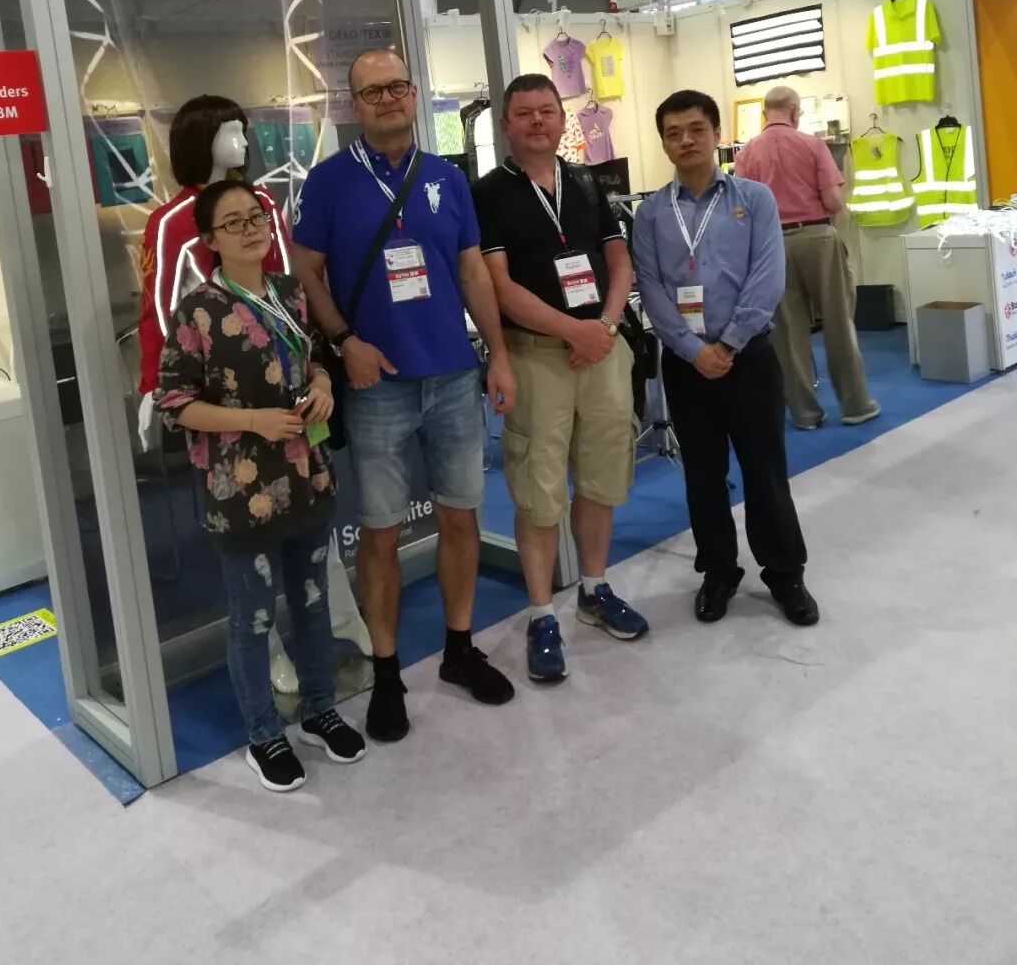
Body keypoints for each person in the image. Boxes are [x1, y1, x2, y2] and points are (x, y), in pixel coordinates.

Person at [292, 49, 516, 744]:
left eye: (397, 86)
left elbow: (472, 272)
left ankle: (459, 649)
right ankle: (387, 672)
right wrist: (344, 339)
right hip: (376, 385)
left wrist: (498, 353)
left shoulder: (448, 177)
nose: (387, 98)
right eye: (372, 91)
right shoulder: (329, 182)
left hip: (452, 377)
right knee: (381, 532)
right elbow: (305, 270)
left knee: (461, 518)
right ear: (354, 105)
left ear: (414, 94)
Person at [157, 180, 366, 793]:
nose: (251, 230)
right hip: (241, 491)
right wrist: (252, 421)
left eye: (256, 217)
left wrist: (322, 384)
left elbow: (313, 357)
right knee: (251, 616)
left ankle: (319, 710)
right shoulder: (198, 311)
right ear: (209, 240)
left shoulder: (290, 293)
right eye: (234, 223)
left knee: (313, 601)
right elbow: (175, 403)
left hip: (307, 475)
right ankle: (263, 733)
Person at [472, 74, 648, 684]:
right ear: (506, 126)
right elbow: (498, 286)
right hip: (537, 355)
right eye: (524, 114)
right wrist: (573, 331)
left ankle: (594, 589)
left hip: (601, 349)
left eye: (547, 111)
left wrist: (604, 325)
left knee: (601, 476)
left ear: (561, 118)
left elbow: (618, 259)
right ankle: (542, 614)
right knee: (539, 490)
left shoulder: (586, 181)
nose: (538, 122)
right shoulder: (488, 193)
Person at [632, 90, 819, 628]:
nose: (686, 141)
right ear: (664, 143)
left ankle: (785, 572)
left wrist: (728, 344)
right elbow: (651, 290)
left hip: (749, 358)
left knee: (765, 469)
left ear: (717, 134)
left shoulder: (754, 199)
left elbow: (768, 278)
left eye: (696, 129)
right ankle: (717, 571)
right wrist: (694, 351)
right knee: (702, 474)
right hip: (686, 365)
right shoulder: (651, 213)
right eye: (673, 133)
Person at [734, 86, 880, 431]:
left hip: (771, 246)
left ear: (764, 114)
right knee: (839, 322)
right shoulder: (812, 145)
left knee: (786, 332)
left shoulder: (747, 153)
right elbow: (832, 202)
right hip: (817, 239)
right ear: (795, 112)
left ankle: (805, 414)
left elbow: (743, 210)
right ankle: (856, 405)